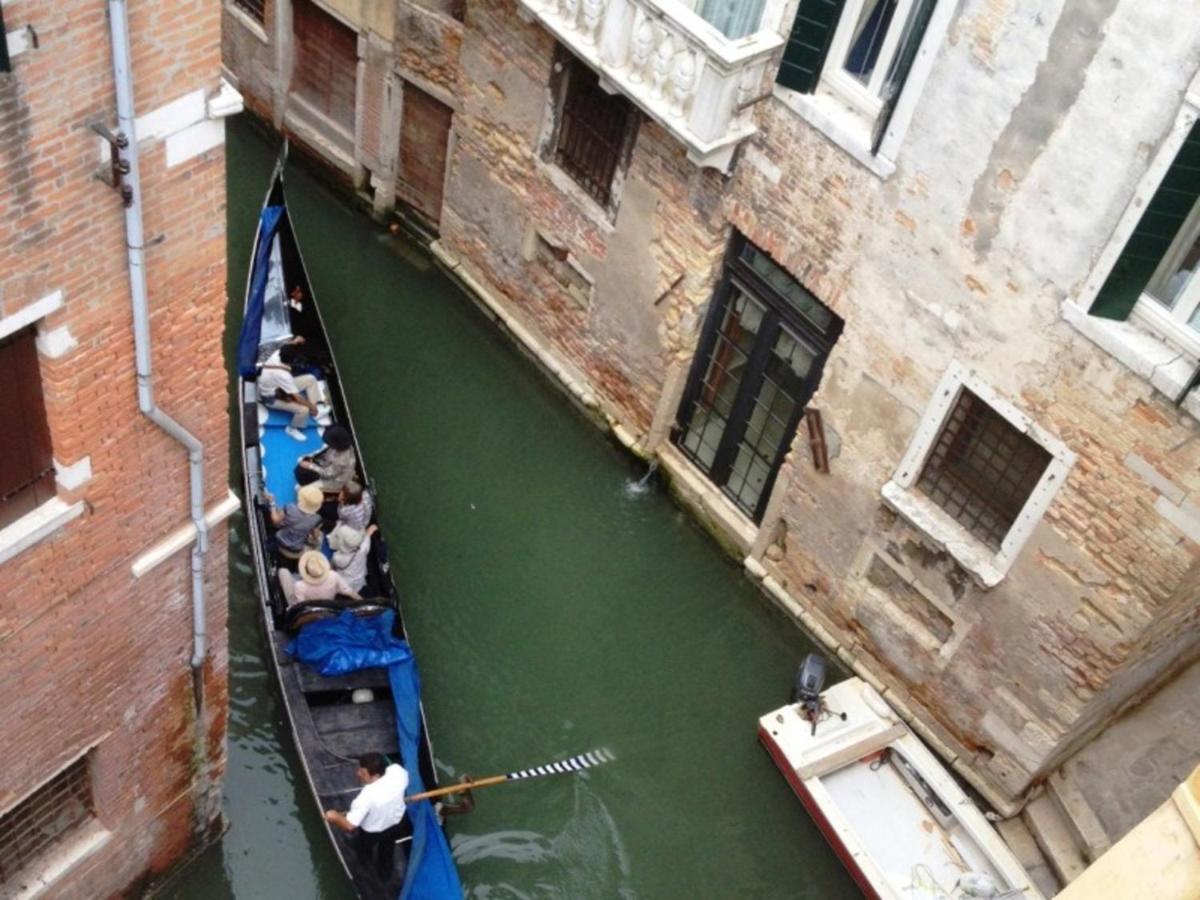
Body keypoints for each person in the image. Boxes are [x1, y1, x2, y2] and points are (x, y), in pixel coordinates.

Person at [324, 753, 409, 882]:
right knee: (387, 848)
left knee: (362, 848)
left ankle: (365, 862)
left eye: (362, 772)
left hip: (372, 832)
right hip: (396, 823)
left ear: (375, 776)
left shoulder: (366, 798)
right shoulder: (399, 772)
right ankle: (385, 874)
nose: (358, 773)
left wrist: (334, 816)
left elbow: (349, 825)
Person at [258, 340, 326, 441]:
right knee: (304, 410)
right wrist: (311, 407)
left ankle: (315, 408)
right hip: (271, 398)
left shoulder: (278, 353)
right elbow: (297, 397)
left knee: (310, 379)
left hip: (276, 386)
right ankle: (292, 428)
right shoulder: (284, 376)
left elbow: (287, 346)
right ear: (292, 361)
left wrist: (295, 341)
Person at [267, 484, 324, 568]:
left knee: (276, 510)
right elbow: (315, 536)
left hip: (279, 541)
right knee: (320, 537)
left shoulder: (290, 507)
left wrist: (272, 503)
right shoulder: (317, 518)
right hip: (296, 549)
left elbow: (275, 520)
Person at [278, 550, 362, 605]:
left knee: (283, 571)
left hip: (307, 606)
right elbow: (348, 591)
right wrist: (362, 601)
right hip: (325, 605)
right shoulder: (333, 575)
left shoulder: (300, 586)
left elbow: (299, 605)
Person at [297, 424, 357, 493]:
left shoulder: (342, 461)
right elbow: (326, 455)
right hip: (330, 468)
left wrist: (310, 466)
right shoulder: (341, 445)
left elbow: (327, 474)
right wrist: (310, 458)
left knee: (303, 490)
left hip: (336, 481)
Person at [329, 523, 377, 594]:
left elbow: (332, 567)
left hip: (344, 583)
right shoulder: (362, 548)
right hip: (359, 581)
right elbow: (369, 532)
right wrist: (371, 528)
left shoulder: (337, 557)